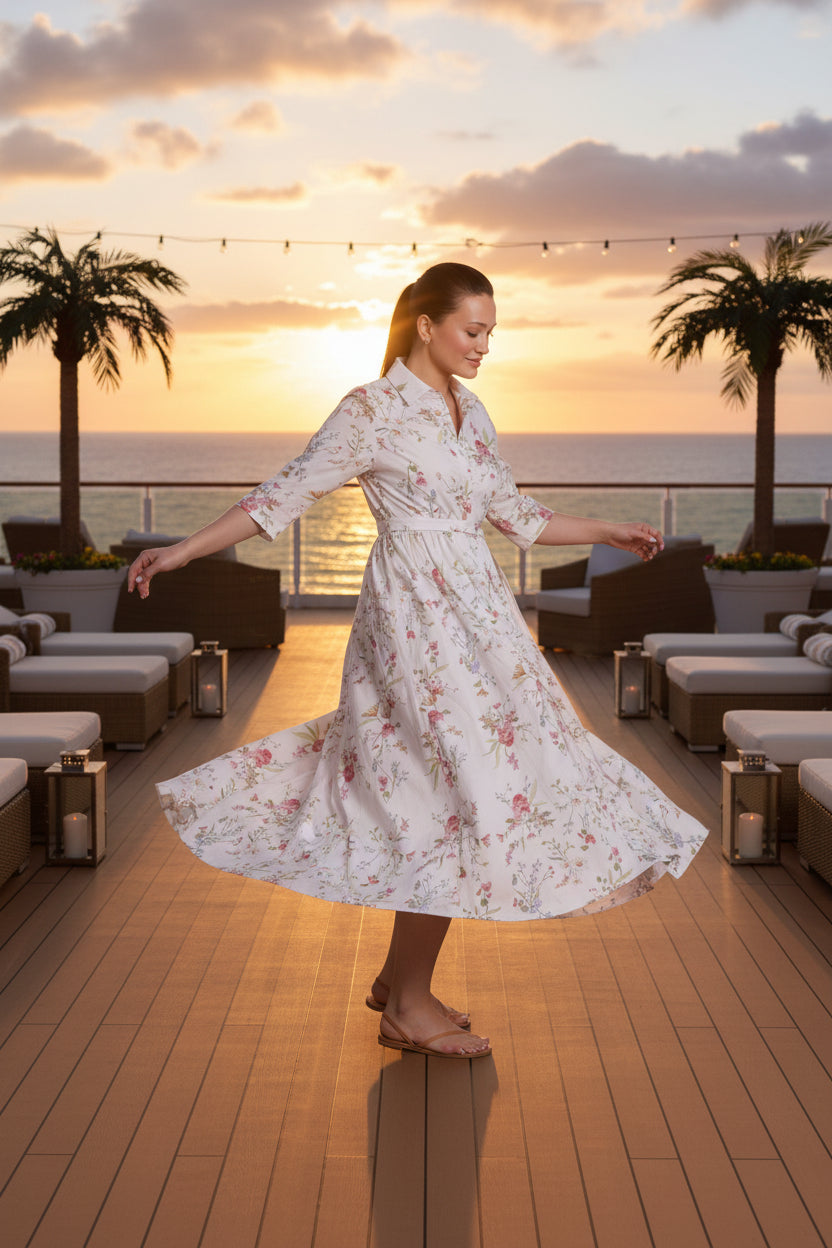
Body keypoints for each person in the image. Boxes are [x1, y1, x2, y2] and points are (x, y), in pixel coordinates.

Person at [129, 262, 708, 1060]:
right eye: (473, 331)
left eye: (490, 335)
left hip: (481, 621)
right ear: (425, 325)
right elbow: (281, 495)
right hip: (411, 623)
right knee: (449, 789)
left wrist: (609, 529)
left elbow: (517, 516)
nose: (483, 347)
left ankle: (402, 983)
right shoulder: (369, 412)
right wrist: (182, 550)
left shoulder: (472, 413)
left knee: (453, 783)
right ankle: (406, 1001)